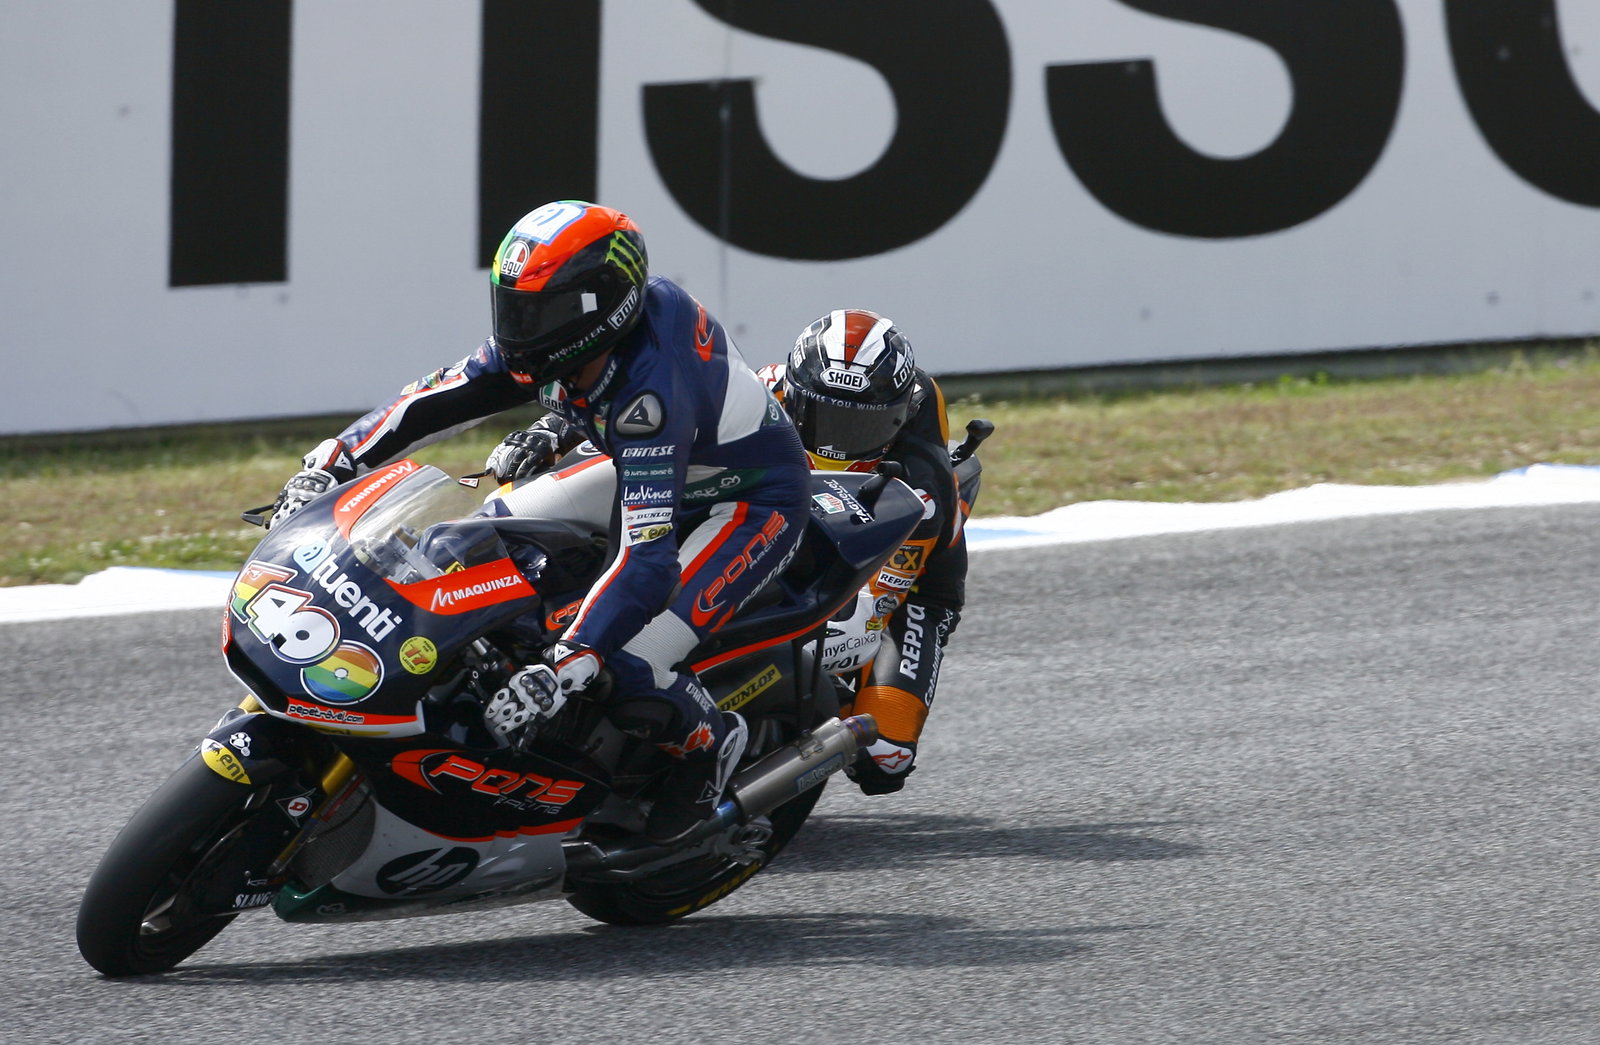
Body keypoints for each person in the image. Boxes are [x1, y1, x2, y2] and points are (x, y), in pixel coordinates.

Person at [268, 200, 812, 842]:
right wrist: (334, 461)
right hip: (650, 466)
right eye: (512, 306)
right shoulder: (582, 339)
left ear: (601, 307)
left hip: (746, 504)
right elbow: (437, 399)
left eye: (541, 312)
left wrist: (567, 663)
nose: (518, 328)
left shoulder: (650, 394)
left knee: (634, 661)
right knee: (464, 541)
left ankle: (708, 750)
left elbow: (647, 558)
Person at [758, 309, 968, 795]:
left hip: (910, 593)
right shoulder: (761, 392)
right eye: (824, 416)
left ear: (896, 417)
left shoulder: (919, 486)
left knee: (884, 757)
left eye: (858, 425)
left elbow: (867, 610)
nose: (835, 440)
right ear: (791, 394)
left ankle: (826, 720)